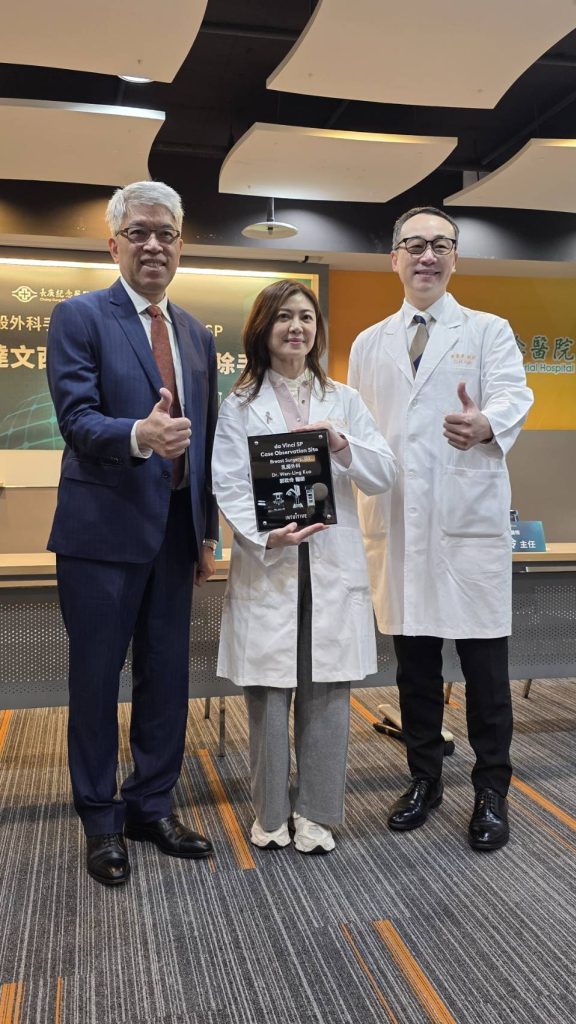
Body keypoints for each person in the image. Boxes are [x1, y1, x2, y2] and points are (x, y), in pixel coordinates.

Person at [47, 181, 218, 885]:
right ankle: (100, 819)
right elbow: (76, 418)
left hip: (175, 538)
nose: (154, 245)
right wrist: (139, 435)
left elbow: (205, 443)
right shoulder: (80, 316)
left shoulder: (197, 335)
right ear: (113, 243)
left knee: (166, 680)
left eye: (166, 234)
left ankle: (151, 805)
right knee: (95, 681)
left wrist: (205, 534)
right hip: (100, 538)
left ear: (180, 245)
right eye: (140, 232)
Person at [348, 206, 533, 851]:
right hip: (399, 524)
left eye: (440, 245)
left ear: (455, 258)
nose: (427, 255)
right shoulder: (368, 343)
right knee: (416, 670)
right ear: (394, 258)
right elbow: (359, 430)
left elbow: (514, 394)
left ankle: (491, 789)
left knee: (486, 672)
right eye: (414, 245)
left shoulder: (488, 330)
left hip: (466, 522)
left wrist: (487, 424)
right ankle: (424, 778)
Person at [212, 280, 396, 854]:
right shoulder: (240, 404)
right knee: (269, 694)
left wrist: (341, 445)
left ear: (318, 329)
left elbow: (383, 473)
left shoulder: (343, 400)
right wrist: (267, 533)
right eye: (284, 317)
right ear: (262, 328)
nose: (297, 327)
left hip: (331, 566)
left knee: (328, 694)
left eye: (307, 317)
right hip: (272, 561)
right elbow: (228, 481)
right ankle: (270, 814)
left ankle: (316, 813)